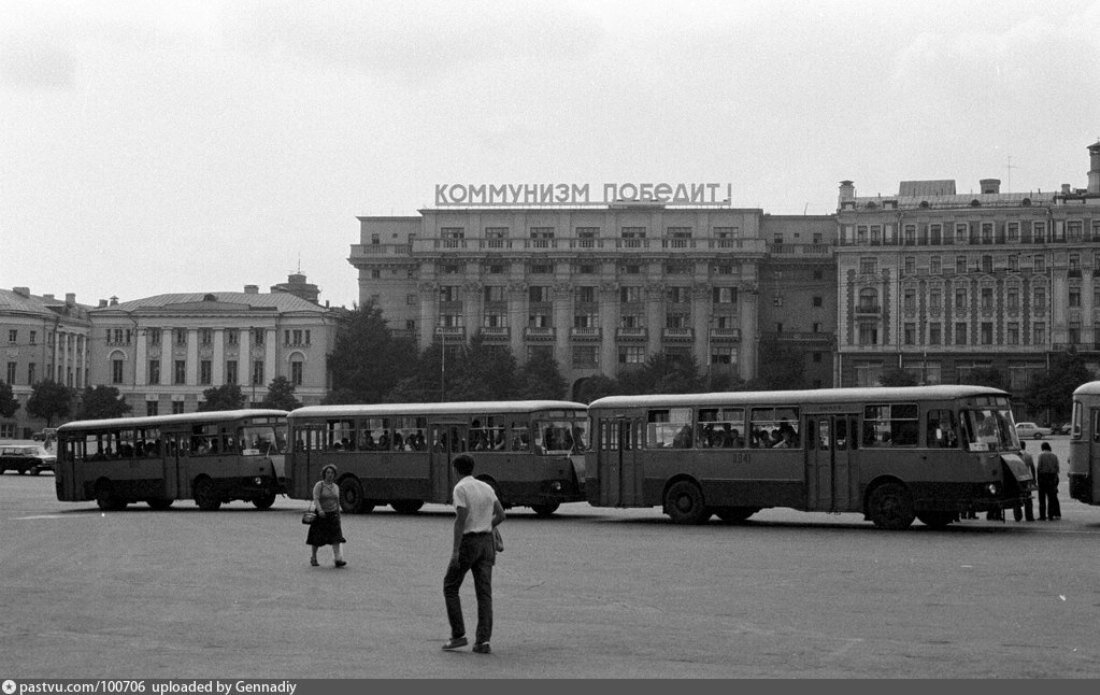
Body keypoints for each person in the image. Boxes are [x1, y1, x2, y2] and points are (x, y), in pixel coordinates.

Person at [442, 454, 505, 655]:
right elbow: (501, 514)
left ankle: (458, 634)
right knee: (484, 593)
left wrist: (454, 551)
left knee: (451, 586)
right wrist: (488, 525)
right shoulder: (486, 487)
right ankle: (483, 641)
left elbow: (460, 520)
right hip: (487, 543)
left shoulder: (460, 488)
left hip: (469, 542)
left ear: (456, 470)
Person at [307, 464, 347, 567]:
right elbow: (316, 498)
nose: (330, 475)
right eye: (328, 472)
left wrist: (338, 515)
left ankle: (338, 559)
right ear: (324, 474)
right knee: (317, 538)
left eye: (332, 473)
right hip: (321, 515)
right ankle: (314, 557)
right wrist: (320, 510)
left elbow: (337, 502)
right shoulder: (319, 485)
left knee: (337, 538)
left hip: (333, 515)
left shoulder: (336, 487)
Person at [1036, 442, 1061, 521]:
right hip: (1052, 477)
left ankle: (1042, 516)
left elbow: (1039, 467)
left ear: (1042, 447)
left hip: (1043, 477)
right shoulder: (1054, 455)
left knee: (1042, 498)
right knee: (1051, 497)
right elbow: (1057, 468)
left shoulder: (1041, 455)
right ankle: (1050, 515)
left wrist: (1038, 478)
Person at [1014, 442, 1036, 522]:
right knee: (1028, 498)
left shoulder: (1014, 455)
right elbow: (1032, 468)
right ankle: (1029, 516)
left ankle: (1017, 516)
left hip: (1017, 479)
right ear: (1025, 446)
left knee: (1016, 497)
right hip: (1026, 479)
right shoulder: (1028, 455)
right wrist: (1034, 479)